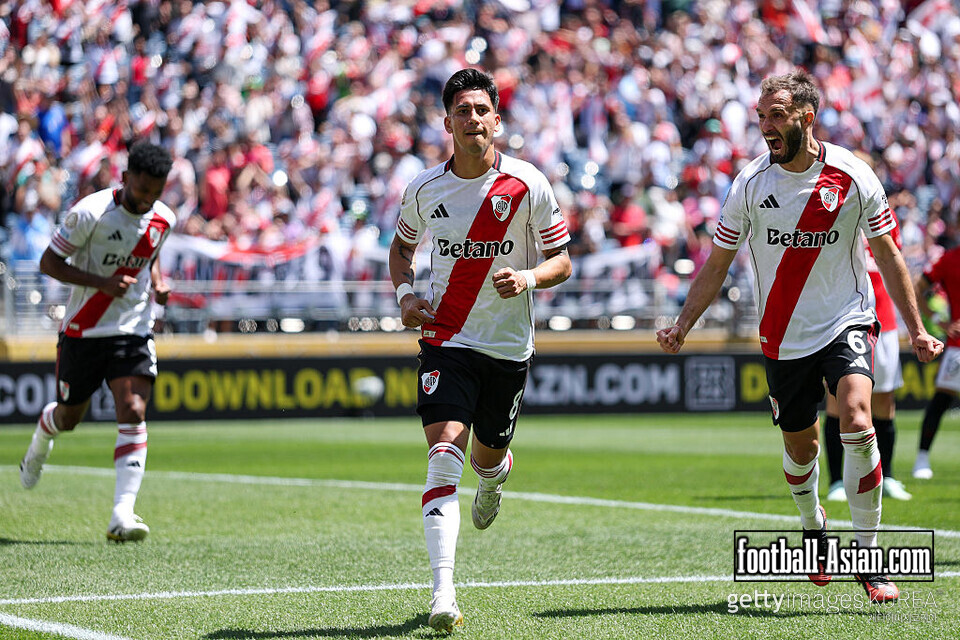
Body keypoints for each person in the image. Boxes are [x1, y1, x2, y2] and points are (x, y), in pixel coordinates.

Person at [656, 70, 942, 604]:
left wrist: (918, 329)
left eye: (776, 115)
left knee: (858, 418)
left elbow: (889, 254)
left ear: (806, 117)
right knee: (800, 447)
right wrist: (682, 325)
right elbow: (717, 263)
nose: (765, 125)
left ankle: (870, 559)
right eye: (761, 115)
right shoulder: (749, 184)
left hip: (846, 321)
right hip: (783, 335)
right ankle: (814, 525)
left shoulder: (853, 176)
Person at [388, 68, 572, 632]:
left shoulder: (528, 184)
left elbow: (563, 260)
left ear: (497, 119)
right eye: (462, 111)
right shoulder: (424, 188)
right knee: (444, 450)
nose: (472, 119)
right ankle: (443, 592)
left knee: (485, 457)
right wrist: (405, 295)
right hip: (445, 340)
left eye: (481, 110)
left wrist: (530, 278)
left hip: (508, 346)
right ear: (447, 122)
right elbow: (400, 251)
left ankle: (494, 475)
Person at [19, 140, 176, 544]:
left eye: (156, 194)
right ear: (125, 179)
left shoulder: (163, 219)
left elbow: (149, 253)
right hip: (84, 330)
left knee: (134, 407)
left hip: (133, 328)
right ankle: (41, 438)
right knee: (69, 418)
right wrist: (101, 283)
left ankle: (121, 514)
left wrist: (157, 285)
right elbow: (49, 263)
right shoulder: (89, 212)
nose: (147, 201)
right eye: (142, 191)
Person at [824, 226, 912, 502]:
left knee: (885, 400)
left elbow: (894, 259)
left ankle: (888, 476)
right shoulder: (835, 205)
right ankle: (837, 480)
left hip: (883, 319)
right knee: (836, 399)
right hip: (841, 319)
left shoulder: (884, 211)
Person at [912, 241, 960, 479]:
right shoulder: (948, 260)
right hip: (957, 347)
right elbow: (918, 288)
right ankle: (922, 458)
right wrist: (939, 320)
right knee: (941, 401)